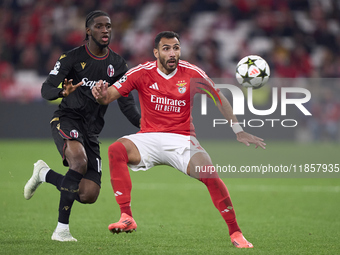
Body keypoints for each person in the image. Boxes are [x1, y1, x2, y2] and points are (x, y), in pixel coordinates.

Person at [92, 31, 266, 248]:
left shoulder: (192, 73)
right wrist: (99, 95)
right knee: (116, 150)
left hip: (182, 139)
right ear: (156, 52)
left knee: (210, 174)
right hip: (149, 137)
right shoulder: (141, 72)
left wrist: (238, 130)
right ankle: (126, 217)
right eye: (166, 48)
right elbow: (108, 96)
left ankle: (236, 233)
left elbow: (218, 97)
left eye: (176, 48)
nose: (172, 53)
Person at [23, 10, 140, 242]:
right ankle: (61, 230)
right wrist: (61, 92)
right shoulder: (72, 58)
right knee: (78, 161)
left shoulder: (117, 64)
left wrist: (146, 125)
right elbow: (46, 89)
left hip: (91, 130)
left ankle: (44, 174)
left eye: (108, 26)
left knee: (88, 194)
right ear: (88, 31)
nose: (105, 30)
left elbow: (127, 104)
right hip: (67, 118)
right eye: (99, 26)